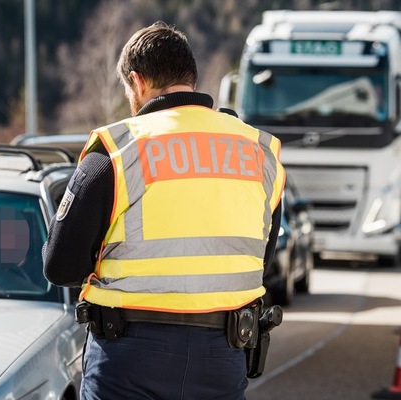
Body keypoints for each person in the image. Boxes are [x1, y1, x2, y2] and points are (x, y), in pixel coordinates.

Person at [42, 22, 285, 400]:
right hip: (222, 354)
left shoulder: (117, 151)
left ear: (137, 82)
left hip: (130, 356)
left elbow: (61, 266)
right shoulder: (260, 151)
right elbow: (259, 258)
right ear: (190, 78)